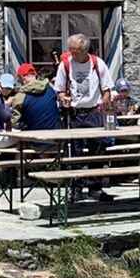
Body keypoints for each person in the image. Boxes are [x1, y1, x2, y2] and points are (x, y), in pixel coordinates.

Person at [53, 32, 110, 198]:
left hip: (94, 112)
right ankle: (76, 188)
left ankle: (95, 187)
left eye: (75, 50)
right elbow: (59, 90)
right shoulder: (65, 65)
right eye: (70, 49)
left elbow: (106, 90)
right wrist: (63, 98)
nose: (71, 53)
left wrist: (104, 109)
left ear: (85, 50)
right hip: (75, 113)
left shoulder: (98, 64)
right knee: (75, 150)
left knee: (98, 149)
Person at [15, 63, 61, 132]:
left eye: (18, 79)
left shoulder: (20, 97)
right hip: (54, 135)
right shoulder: (50, 89)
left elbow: (15, 123)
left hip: (32, 136)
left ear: (22, 77)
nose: (18, 81)